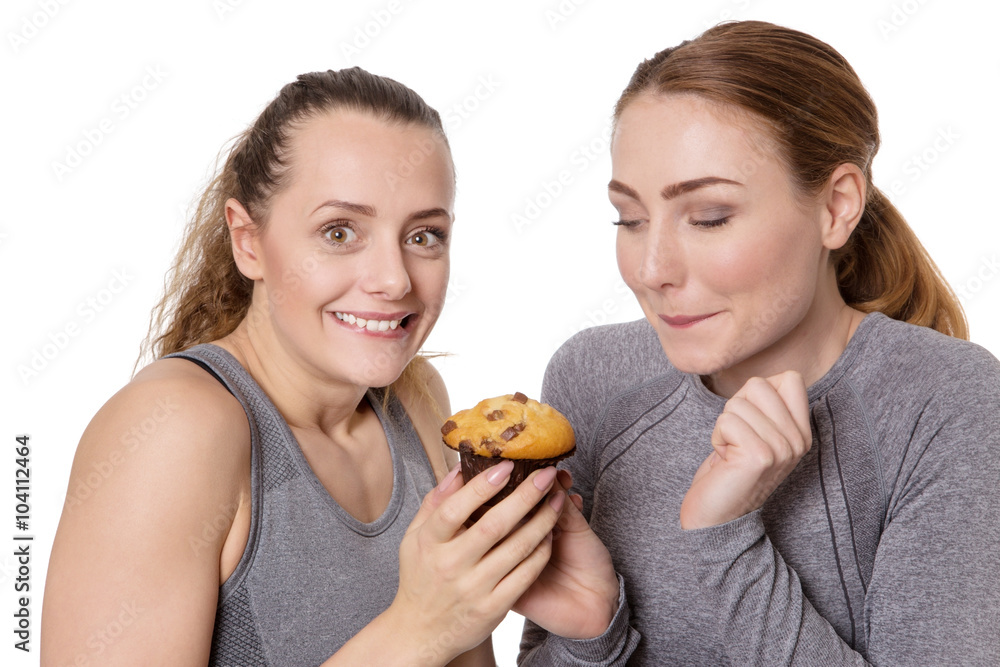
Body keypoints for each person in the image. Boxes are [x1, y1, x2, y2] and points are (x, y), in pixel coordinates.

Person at [40, 67, 625, 666]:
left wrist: (588, 633)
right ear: (247, 241)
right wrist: (416, 628)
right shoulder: (172, 428)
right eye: (340, 232)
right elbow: (423, 636)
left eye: (424, 236)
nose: (394, 280)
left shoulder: (415, 399)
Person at [520, 20, 1000, 665]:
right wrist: (591, 636)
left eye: (709, 217)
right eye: (629, 219)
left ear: (836, 207)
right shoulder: (593, 377)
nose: (651, 269)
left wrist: (724, 542)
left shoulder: (950, 403)